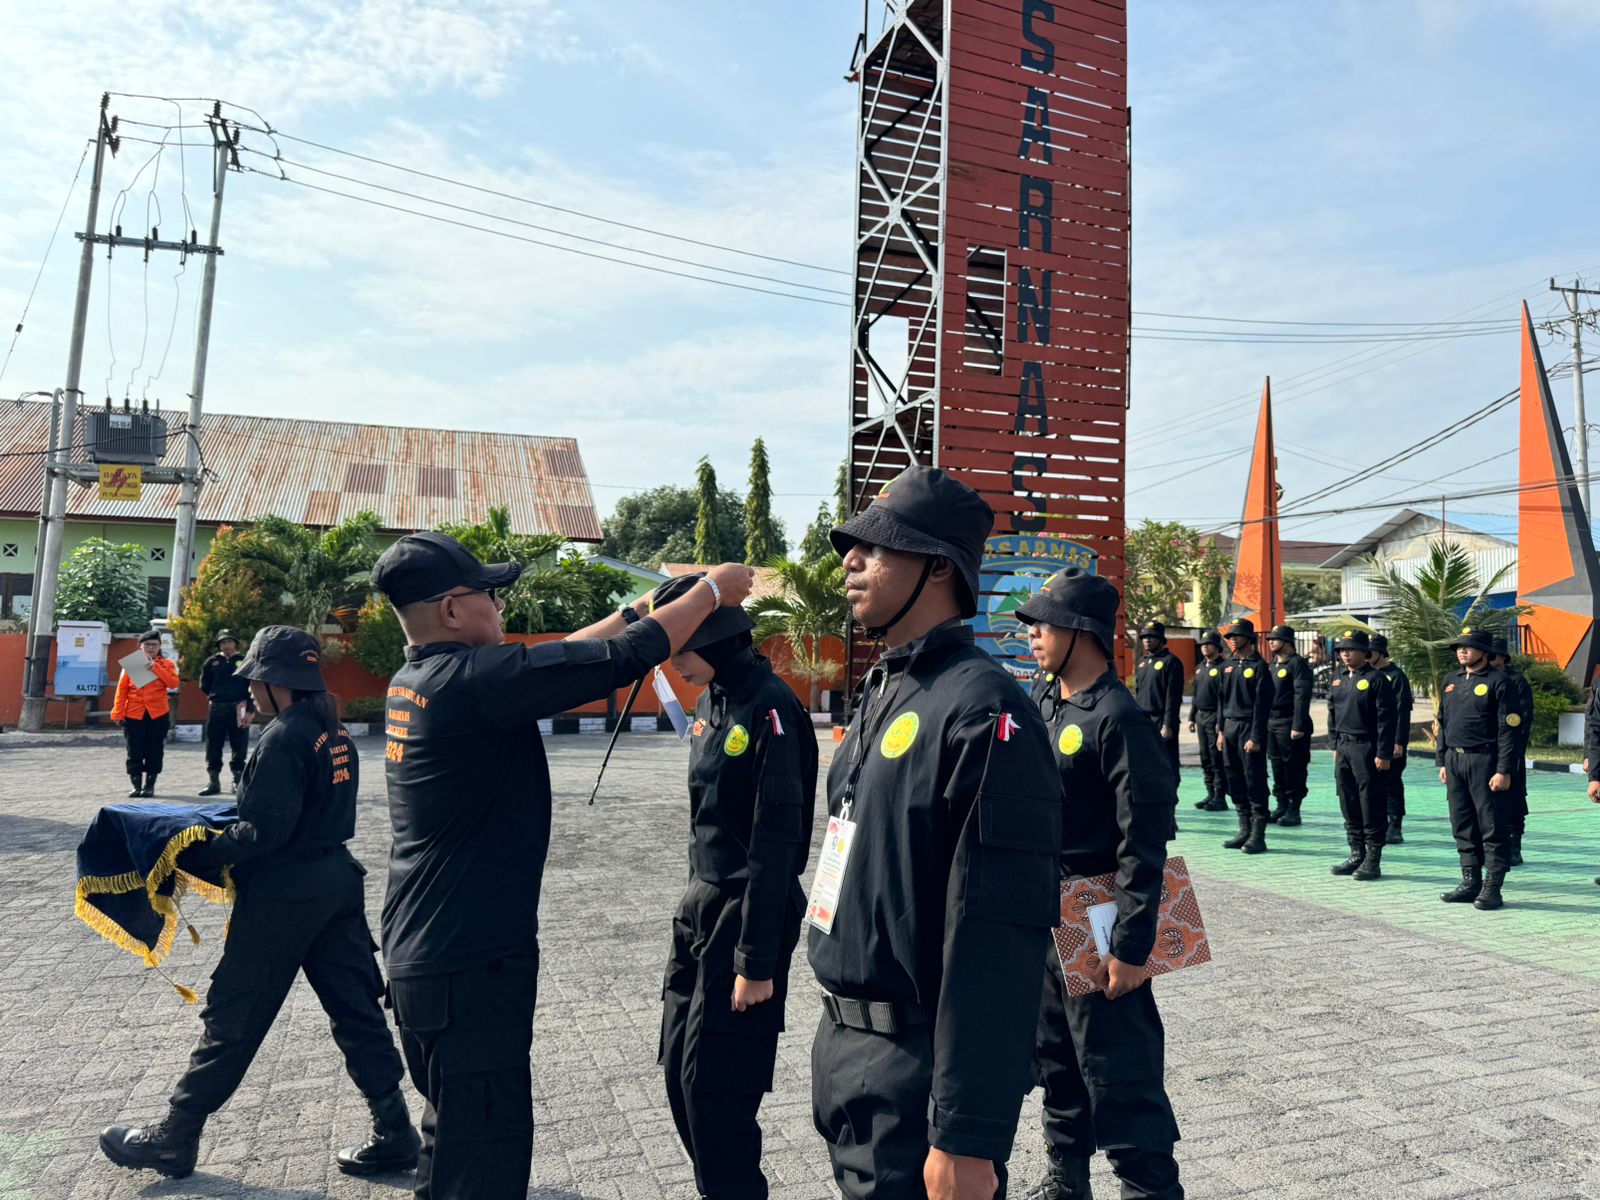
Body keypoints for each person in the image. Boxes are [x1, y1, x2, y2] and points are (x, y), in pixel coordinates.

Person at [370, 531, 754, 1200]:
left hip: (430, 959)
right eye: (490, 594)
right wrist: (713, 591)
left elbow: (568, 655)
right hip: (468, 970)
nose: (499, 606)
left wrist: (642, 607)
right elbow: (615, 661)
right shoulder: (472, 684)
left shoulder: (425, 681)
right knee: (482, 1164)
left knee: (452, 1141)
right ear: (455, 610)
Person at [808, 465, 1060, 1200]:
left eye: (877, 549)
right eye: (850, 546)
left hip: (917, 1071)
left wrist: (968, 1134)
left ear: (939, 569)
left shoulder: (982, 708)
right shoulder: (888, 687)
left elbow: (997, 937)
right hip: (849, 1050)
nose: (850, 561)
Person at [99, 626, 418, 1181]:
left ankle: (177, 1135)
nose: (249, 687)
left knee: (235, 1013)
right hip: (336, 884)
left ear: (277, 683)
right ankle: (394, 1128)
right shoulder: (333, 730)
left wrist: (184, 854)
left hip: (283, 896)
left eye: (255, 678)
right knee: (356, 1009)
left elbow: (260, 835)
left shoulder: (282, 737)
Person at [1014, 569, 1184, 1200]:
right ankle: (1066, 1182)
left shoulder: (1119, 717)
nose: (1033, 635)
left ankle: (1149, 1188)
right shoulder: (1043, 700)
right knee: (1056, 1057)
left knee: (1119, 1069)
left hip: (1099, 911)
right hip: (1046, 910)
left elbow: (1143, 840)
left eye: (1045, 624)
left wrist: (1133, 947)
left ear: (1082, 630)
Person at [654, 572, 818, 1200]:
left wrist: (757, 960)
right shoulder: (708, 701)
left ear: (718, 641)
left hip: (747, 913)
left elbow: (777, 847)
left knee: (716, 1090)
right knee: (677, 1072)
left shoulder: (772, 710)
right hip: (699, 904)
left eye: (681, 650)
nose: (672, 663)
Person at [1435, 627, 1520, 911]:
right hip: (1455, 761)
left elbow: (1509, 730)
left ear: (1485, 652)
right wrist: (1442, 761)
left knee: (1492, 825)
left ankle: (1492, 887)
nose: (1462, 650)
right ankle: (1469, 881)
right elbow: (1443, 723)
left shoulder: (1500, 682)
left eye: (1469, 646)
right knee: (1462, 824)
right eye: (1459, 646)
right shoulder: (1451, 681)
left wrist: (1504, 769)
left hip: (1486, 762)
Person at [1325, 630, 1397, 881]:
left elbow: (1387, 720)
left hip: (1367, 748)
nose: (1345, 653)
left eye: (1351, 649)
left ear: (1364, 653)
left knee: (1371, 802)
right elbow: (1332, 714)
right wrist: (1335, 745)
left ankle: (1373, 859)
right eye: (1342, 649)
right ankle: (1356, 853)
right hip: (1343, 746)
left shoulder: (1377, 679)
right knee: (1348, 800)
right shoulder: (1337, 677)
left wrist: (1383, 752)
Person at [1217, 619, 1274, 854]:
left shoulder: (1259, 667)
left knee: (1254, 780)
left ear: (1249, 638)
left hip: (1249, 728)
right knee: (1234, 778)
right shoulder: (1227, 665)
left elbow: (1262, 706)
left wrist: (1256, 736)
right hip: (1229, 728)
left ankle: (1258, 835)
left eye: (1237, 635)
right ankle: (1244, 829)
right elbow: (1220, 700)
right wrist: (1220, 731)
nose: (1232, 639)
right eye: (1230, 636)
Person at [111, 629, 180, 798]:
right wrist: (117, 712)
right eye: (147, 645)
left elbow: (173, 683)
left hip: (158, 714)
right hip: (134, 714)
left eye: (154, 645)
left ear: (159, 646)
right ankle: (136, 785)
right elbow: (122, 690)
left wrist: (155, 668)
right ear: (140, 646)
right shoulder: (133, 664)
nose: (150, 648)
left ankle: (150, 785)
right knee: (134, 749)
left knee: (155, 749)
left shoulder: (167, 664)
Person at [1263, 626, 1313, 827]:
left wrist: (1298, 725)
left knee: (1293, 765)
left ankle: (1294, 808)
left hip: (1289, 721)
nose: (1271, 642)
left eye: (1275, 639)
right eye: (1270, 639)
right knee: (1276, 764)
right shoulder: (1272, 664)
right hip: (1272, 722)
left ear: (1287, 641)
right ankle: (1281, 804)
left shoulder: (1297, 664)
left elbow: (1302, 696)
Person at [1489, 638, 1533, 866]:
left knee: (1515, 800)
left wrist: (1513, 752)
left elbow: (1521, 722)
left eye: (1493, 656)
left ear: (1503, 658)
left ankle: (1515, 846)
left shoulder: (1516, 682)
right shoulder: (1483, 680)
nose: (1489, 659)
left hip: (1511, 752)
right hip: (1485, 754)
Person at [1368, 634, 1413, 844]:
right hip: (1370, 740)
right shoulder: (1366, 675)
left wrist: (1398, 741)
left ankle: (1395, 826)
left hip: (1391, 740)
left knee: (1392, 783)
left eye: (1369, 652)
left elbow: (1402, 712)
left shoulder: (1396, 676)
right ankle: (1379, 824)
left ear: (1380, 653)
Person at [198, 629, 254, 796]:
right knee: (213, 745)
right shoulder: (212, 662)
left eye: (229, 641)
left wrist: (250, 709)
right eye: (223, 642)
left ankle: (237, 781)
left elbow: (253, 686)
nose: (226, 645)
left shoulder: (245, 660)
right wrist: (217, 695)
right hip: (217, 708)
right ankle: (213, 782)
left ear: (235, 643)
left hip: (239, 708)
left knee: (239, 744)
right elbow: (204, 685)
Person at [1133, 622, 1184, 787]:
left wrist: (1168, 724)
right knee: (1147, 762)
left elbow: (1173, 696)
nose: (1147, 640)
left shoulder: (1172, 662)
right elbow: (1138, 692)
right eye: (1145, 637)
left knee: (1167, 762)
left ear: (1161, 639)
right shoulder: (1141, 662)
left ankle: (1170, 802)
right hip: (1144, 720)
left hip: (1162, 720)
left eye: (1152, 637)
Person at [1188, 631, 1228, 812]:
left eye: (1208, 644)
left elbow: (1223, 698)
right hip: (1201, 717)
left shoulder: (1223, 668)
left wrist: (1221, 722)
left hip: (1214, 716)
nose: (1204, 647)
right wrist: (1191, 716)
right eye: (1202, 644)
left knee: (1216, 757)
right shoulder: (1200, 667)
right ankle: (1210, 793)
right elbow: (1196, 696)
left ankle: (1220, 797)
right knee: (1205, 757)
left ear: (1217, 647)